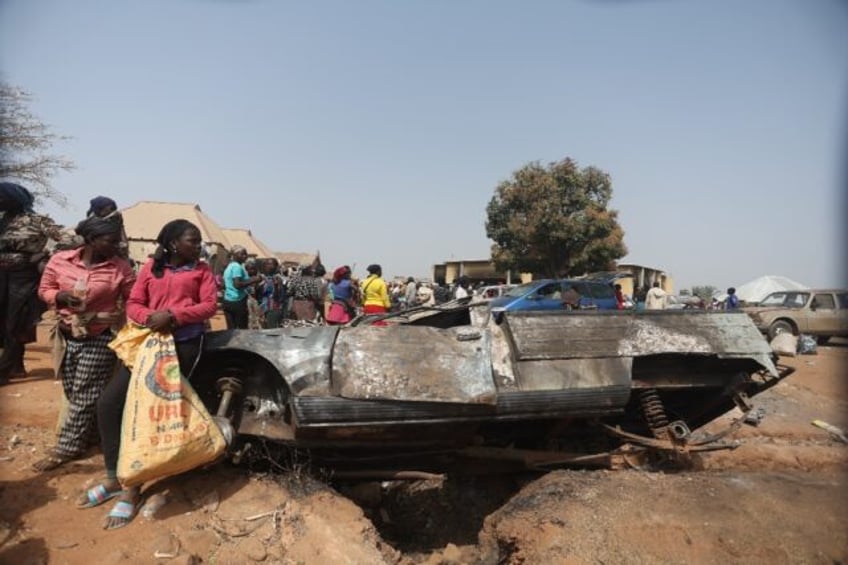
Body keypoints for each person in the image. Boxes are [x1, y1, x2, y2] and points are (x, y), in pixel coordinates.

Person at [85, 219, 218, 530]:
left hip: (182, 346)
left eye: (198, 241)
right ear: (172, 242)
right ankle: (113, 476)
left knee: (147, 414)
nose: (198, 246)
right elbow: (134, 303)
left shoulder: (202, 270)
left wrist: (173, 315)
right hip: (146, 344)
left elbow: (209, 305)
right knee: (109, 405)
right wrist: (149, 318)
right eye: (192, 240)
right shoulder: (150, 267)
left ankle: (133, 488)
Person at [32, 216, 135, 471]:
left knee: (85, 394)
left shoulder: (120, 268)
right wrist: (60, 296)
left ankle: (67, 448)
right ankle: (92, 437)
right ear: (91, 240)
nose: (117, 245)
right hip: (66, 335)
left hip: (98, 336)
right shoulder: (60, 261)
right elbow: (44, 289)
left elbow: (133, 298)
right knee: (72, 390)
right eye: (110, 241)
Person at [0, 182, 75, 384]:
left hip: (24, 275)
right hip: (2, 274)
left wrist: (45, 254)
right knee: (5, 320)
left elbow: (70, 239)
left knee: (17, 320)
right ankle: (15, 366)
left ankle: (4, 370)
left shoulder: (37, 220)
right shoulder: (2, 220)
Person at [221, 245, 261, 329]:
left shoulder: (229, 266)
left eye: (246, 254)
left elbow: (224, 285)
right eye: (242, 254)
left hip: (227, 300)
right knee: (242, 329)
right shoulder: (237, 267)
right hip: (238, 302)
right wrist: (254, 279)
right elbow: (237, 284)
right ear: (234, 255)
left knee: (231, 329)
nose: (245, 256)